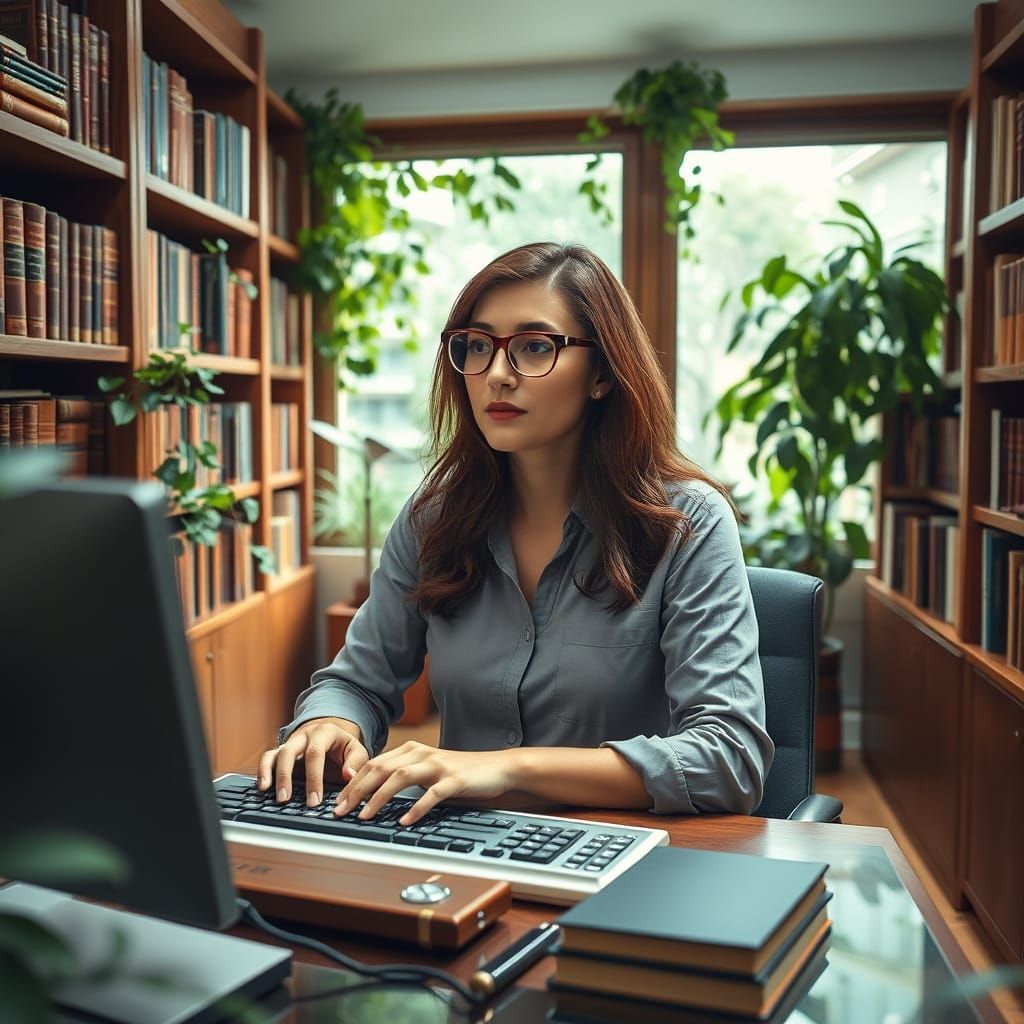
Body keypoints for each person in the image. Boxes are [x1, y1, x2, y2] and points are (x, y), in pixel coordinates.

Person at [259, 241, 773, 826]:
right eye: (478, 346)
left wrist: (506, 767)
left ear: (602, 373)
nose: (498, 374)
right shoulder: (433, 519)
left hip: (632, 860)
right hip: (460, 854)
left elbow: (730, 759)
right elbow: (357, 681)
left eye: (535, 347)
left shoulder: (688, 524)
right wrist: (331, 721)